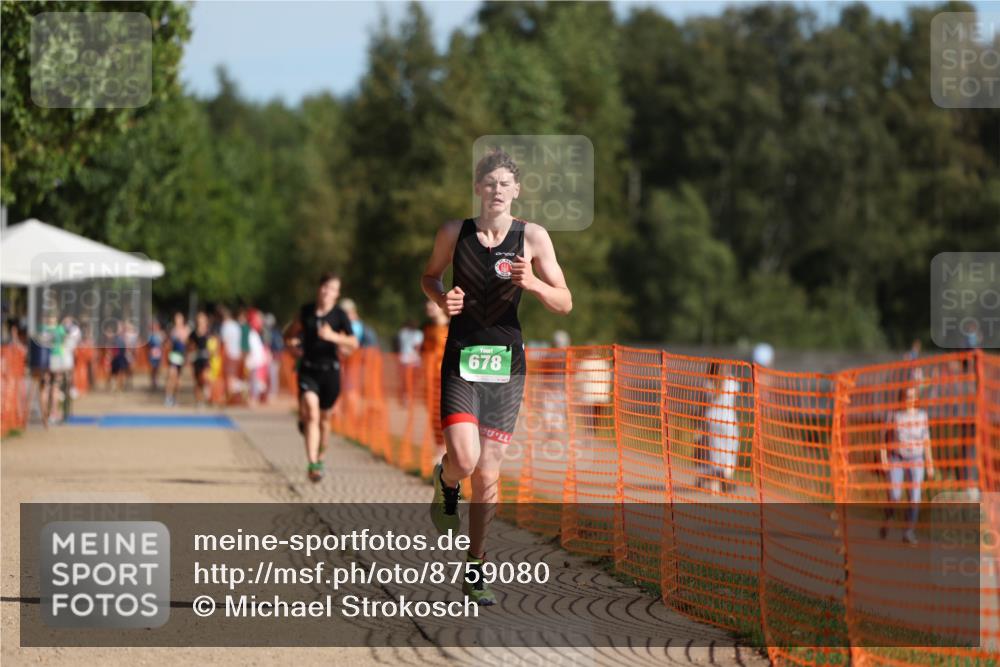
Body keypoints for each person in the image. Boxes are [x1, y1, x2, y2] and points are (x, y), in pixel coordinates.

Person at [421, 148, 572, 605]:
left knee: (489, 474)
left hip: (507, 365)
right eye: (490, 182)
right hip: (463, 357)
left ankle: (476, 564)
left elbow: (565, 301)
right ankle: (446, 482)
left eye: (506, 183)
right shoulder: (455, 233)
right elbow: (429, 276)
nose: (498, 190)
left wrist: (535, 285)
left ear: (516, 191)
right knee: (464, 462)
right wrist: (440, 298)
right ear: (477, 188)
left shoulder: (534, 238)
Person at [285, 273, 358, 482]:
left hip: (331, 373)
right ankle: (312, 462)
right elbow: (289, 334)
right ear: (319, 288)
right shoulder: (306, 311)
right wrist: (292, 347)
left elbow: (353, 343)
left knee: (325, 421)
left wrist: (333, 336)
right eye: (325, 287)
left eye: (332, 289)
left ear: (337, 294)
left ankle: (320, 457)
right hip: (308, 369)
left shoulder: (339, 315)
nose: (327, 292)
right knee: (312, 414)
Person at [880, 385, 935, 544]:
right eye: (907, 396)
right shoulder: (894, 415)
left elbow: (926, 440)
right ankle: (888, 519)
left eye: (913, 397)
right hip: (897, 458)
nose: (910, 400)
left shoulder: (922, 416)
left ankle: (908, 532)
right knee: (895, 496)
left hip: (917, 459)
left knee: (915, 497)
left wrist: (929, 462)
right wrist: (884, 458)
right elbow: (883, 437)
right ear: (902, 398)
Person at [695, 362, 741, 494]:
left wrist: (699, 423)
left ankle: (715, 482)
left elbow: (702, 404)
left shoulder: (708, 383)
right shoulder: (732, 382)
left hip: (712, 419)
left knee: (714, 453)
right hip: (728, 420)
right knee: (729, 452)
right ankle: (724, 479)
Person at [164, 312, 190, 407]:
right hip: (174, 356)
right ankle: (168, 398)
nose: (178, 321)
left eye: (180, 319)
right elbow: (168, 344)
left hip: (181, 356)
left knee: (178, 381)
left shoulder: (186, 330)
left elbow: (188, 345)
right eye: (176, 319)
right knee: (171, 377)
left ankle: (175, 399)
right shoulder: (173, 331)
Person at [218, 306, 243, 402]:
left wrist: (223, 356)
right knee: (234, 377)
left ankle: (232, 398)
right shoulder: (236, 325)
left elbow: (224, 343)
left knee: (230, 378)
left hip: (229, 355)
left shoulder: (226, 326)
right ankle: (236, 397)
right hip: (237, 354)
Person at [189, 312, 213, 408]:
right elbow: (190, 345)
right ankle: (199, 401)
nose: (201, 322)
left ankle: (207, 391)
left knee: (204, 377)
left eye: (203, 320)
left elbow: (214, 344)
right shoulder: (193, 333)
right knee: (197, 381)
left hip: (206, 358)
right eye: (199, 320)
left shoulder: (209, 332)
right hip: (196, 358)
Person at [148, 319, 164, 391]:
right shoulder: (150, 335)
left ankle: (156, 380)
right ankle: (153, 381)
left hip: (158, 353)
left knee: (157, 368)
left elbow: (162, 345)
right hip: (152, 354)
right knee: (152, 368)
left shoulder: (160, 334)